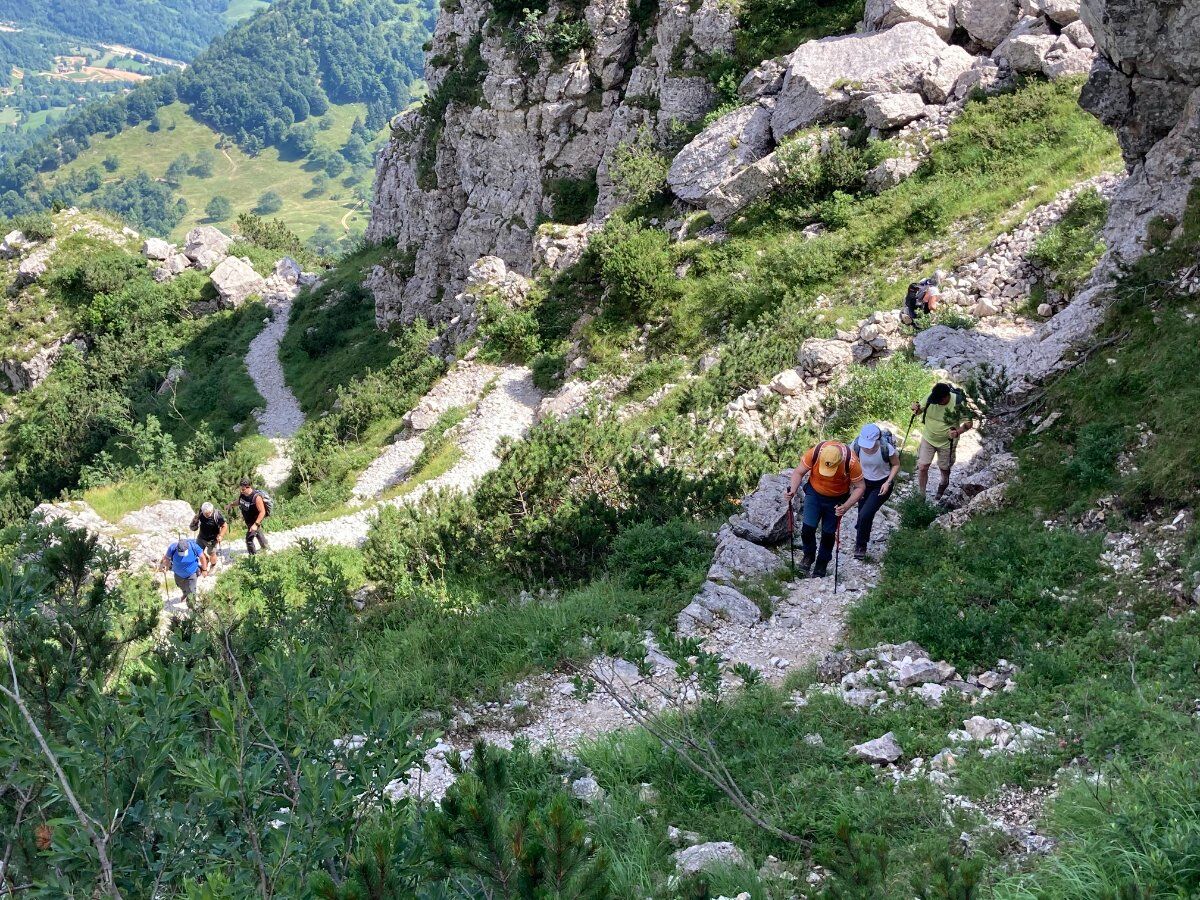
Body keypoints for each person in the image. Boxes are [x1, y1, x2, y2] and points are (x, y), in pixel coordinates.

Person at [784, 441, 865, 578]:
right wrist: (792, 490)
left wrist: (846, 506)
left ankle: (822, 562)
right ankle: (808, 555)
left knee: (828, 533)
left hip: (837, 498)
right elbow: (798, 472)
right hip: (814, 493)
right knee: (807, 529)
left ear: (840, 461)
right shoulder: (815, 453)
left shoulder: (851, 461)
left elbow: (860, 487)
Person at [912, 382, 973, 501]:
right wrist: (916, 409)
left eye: (938, 401)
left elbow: (969, 423)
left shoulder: (958, 402)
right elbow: (919, 410)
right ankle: (921, 495)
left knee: (944, 469)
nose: (936, 403)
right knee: (923, 466)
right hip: (928, 438)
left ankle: (942, 486)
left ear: (946, 397)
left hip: (947, 443)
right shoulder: (931, 397)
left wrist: (957, 432)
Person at [850, 423, 900, 560]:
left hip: (881, 484)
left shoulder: (886, 448)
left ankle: (861, 545)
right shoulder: (856, 446)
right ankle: (862, 529)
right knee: (862, 513)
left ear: (877, 439)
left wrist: (888, 482)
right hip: (862, 483)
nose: (866, 446)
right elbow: (851, 464)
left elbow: (896, 464)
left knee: (866, 514)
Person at [160, 532, 204, 606]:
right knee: (180, 585)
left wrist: (204, 569)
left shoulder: (194, 547)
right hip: (178, 573)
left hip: (192, 573)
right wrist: (165, 567)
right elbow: (166, 558)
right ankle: (185, 593)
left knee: (192, 590)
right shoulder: (172, 548)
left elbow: (202, 557)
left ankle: (191, 608)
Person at [229, 477, 270, 555]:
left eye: (243, 489)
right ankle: (265, 546)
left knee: (249, 539)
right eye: (241, 489)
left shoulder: (256, 497)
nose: (241, 491)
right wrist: (231, 504)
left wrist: (255, 524)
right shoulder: (243, 494)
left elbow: (262, 512)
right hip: (248, 520)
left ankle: (253, 557)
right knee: (258, 532)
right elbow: (240, 501)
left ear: (249, 487)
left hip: (255, 521)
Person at [191, 501, 228, 575]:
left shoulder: (217, 516)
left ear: (211, 510)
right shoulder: (200, 513)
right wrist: (194, 524)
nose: (207, 515)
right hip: (201, 537)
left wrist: (220, 535)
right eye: (205, 514)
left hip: (212, 539)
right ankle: (206, 559)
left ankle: (213, 565)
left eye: (208, 513)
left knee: (211, 553)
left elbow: (224, 526)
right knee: (197, 551)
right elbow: (193, 525)